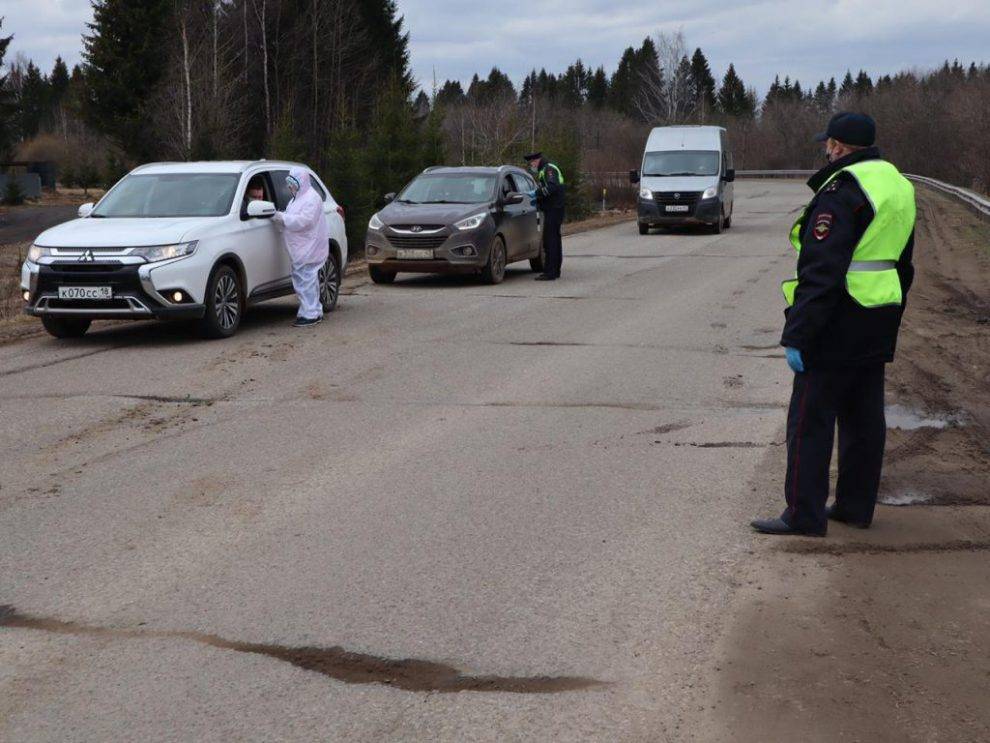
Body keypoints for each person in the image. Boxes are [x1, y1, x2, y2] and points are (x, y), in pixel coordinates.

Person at [751, 112, 916, 537]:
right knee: (864, 418)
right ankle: (855, 507)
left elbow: (821, 271)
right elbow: (905, 265)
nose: (827, 150)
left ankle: (803, 515)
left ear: (839, 148)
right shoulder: (898, 184)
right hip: (877, 314)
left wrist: (799, 334)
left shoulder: (842, 191)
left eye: (830, 144)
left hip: (837, 320)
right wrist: (890, 316)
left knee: (810, 420)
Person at [272, 167, 329, 328]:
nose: (290, 187)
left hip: (308, 247)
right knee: (307, 280)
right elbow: (293, 218)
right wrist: (279, 218)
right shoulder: (296, 199)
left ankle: (309, 314)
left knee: (305, 282)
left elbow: (305, 221)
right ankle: (314, 310)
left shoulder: (312, 198)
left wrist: (281, 217)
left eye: (293, 183)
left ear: (301, 182)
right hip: (302, 248)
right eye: (289, 183)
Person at [524, 152, 565, 281]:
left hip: (554, 209)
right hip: (554, 208)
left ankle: (550, 272)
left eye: (531, 163)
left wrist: (536, 194)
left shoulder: (548, 169)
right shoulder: (545, 169)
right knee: (554, 240)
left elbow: (552, 187)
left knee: (550, 241)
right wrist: (539, 199)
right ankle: (555, 270)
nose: (531, 166)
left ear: (537, 160)